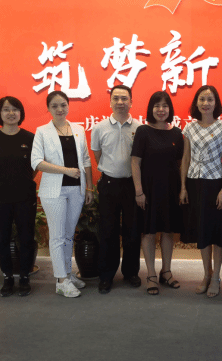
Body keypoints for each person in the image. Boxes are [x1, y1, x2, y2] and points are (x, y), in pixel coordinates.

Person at [31, 91, 93, 298]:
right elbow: (36, 162)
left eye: (63, 105)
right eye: (55, 106)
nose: (60, 109)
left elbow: (86, 159)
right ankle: (60, 281)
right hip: (53, 191)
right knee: (57, 236)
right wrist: (65, 170)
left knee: (68, 235)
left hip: (76, 189)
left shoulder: (78, 129)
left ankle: (67, 274)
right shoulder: (42, 131)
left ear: (68, 106)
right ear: (48, 108)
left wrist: (89, 187)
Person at [0, 96, 37, 297]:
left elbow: (34, 168)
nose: (11, 113)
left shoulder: (30, 138)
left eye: (15, 109)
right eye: (6, 109)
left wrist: (21, 181)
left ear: (21, 113)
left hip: (25, 197)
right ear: (0, 113)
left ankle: (24, 277)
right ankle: (7, 277)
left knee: (26, 238)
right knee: (1, 239)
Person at [180, 86, 222, 298]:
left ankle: (217, 276)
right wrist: (183, 187)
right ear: (196, 103)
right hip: (195, 183)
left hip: (215, 183)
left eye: (210, 99)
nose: (206, 103)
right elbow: (185, 158)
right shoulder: (189, 128)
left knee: (217, 233)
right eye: (202, 99)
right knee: (202, 231)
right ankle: (206, 274)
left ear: (216, 103)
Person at [131, 91, 184, 295]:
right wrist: (139, 191)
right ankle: (151, 274)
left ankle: (166, 272)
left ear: (170, 109)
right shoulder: (143, 131)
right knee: (149, 231)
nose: (161, 110)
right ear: (151, 109)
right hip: (148, 189)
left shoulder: (177, 133)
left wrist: (182, 189)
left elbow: (181, 163)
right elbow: (135, 162)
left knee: (168, 231)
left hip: (170, 189)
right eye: (157, 106)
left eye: (165, 106)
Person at [91, 85, 142, 294]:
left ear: (131, 102)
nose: (120, 102)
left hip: (132, 185)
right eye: (116, 98)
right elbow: (97, 156)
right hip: (109, 185)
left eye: (124, 98)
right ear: (110, 102)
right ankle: (106, 275)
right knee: (108, 231)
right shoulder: (99, 128)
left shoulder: (139, 128)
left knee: (132, 231)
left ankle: (131, 272)